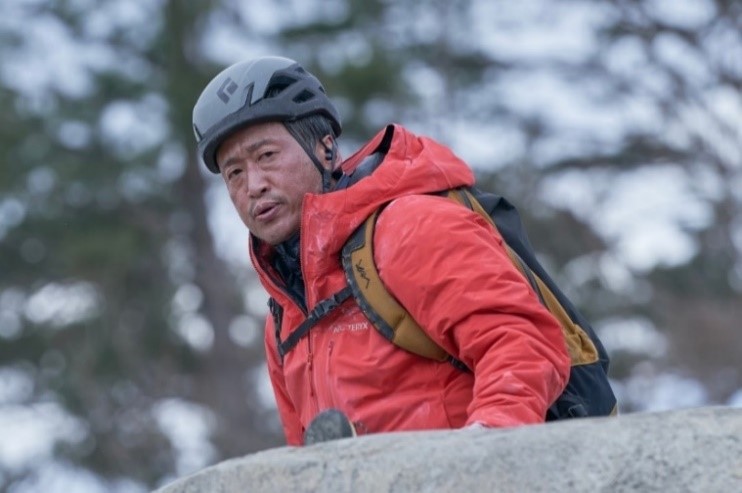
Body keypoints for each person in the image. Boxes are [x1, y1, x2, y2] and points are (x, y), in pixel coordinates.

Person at [192, 56, 571, 446]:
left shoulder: (409, 228)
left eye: (266, 156)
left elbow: (522, 344)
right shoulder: (282, 317)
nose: (253, 185)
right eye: (234, 173)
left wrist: (482, 453)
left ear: (326, 150)